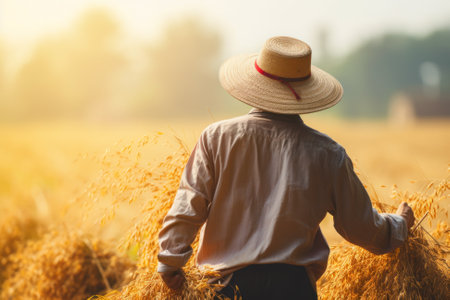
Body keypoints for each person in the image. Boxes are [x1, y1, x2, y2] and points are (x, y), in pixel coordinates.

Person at [157, 36, 415, 299]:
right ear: (307, 90)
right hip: (293, 289)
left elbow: (189, 204)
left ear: (256, 83)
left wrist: (170, 261)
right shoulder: (328, 154)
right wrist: (399, 226)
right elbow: (360, 226)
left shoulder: (217, 137)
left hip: (224, 287)